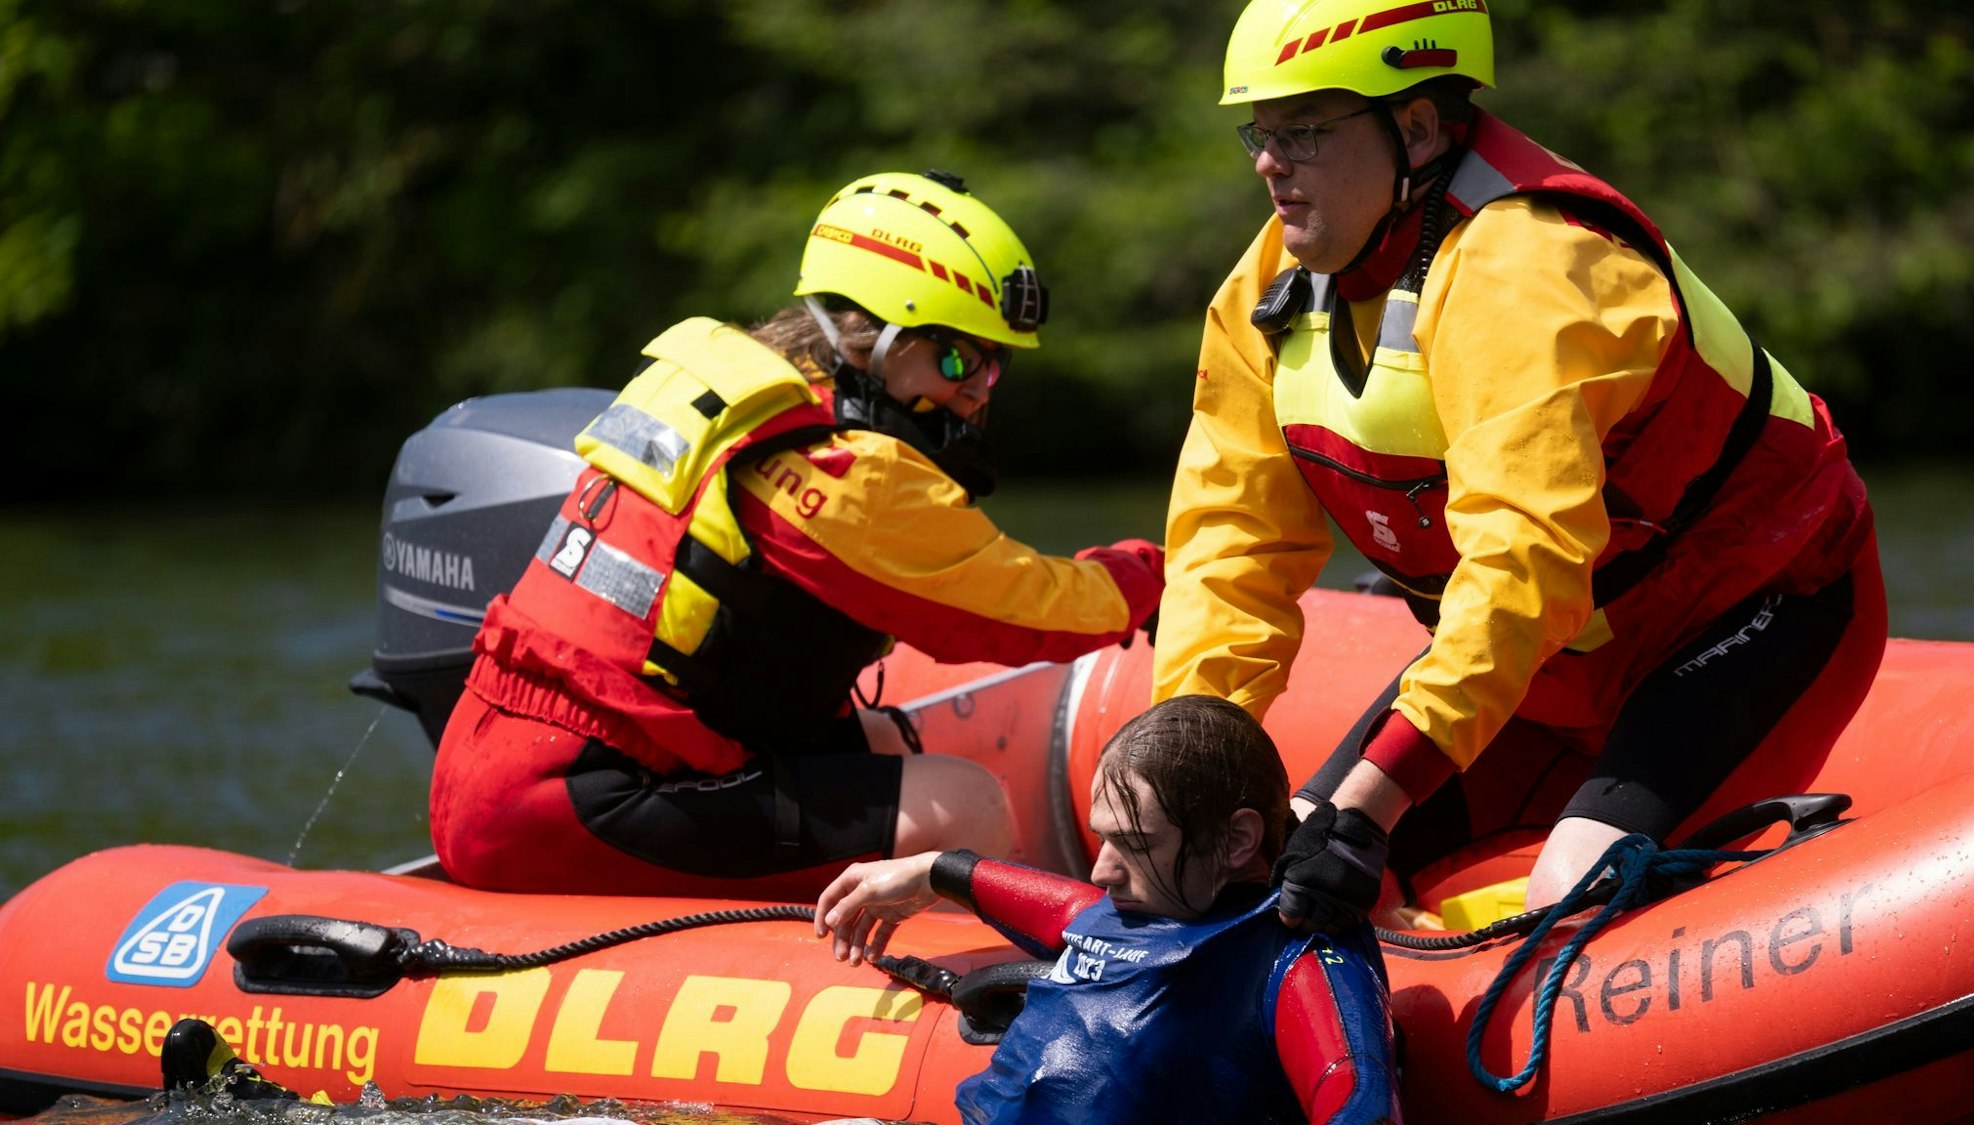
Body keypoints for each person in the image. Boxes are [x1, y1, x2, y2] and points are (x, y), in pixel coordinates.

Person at [1154, 0, 1887, 928]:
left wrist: (1369, 804)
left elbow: (1524, 563)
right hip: (1545, 663)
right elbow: (1230, 555)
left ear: (1416, 128)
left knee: (1567, 887)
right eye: (1259, 130)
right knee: (1263, 871)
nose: (1268, 161)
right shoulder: (1260, 299)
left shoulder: (1529, 265)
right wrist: (1181, 768)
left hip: (1754, 610)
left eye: (1304, 130)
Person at [430, 170, 1165, 899]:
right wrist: (1156, 575)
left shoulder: (749, 403)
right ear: (876, 340)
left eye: (993, 364)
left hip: (505, 762)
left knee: (881, 739)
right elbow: (1027, 610)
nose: (977, 387)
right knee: (969, 805)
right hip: (573, 795)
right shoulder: (842, 471)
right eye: (956, 357)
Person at [815, 695, 1400, 1125]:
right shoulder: (1142, 901)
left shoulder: (1292, 957)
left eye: (1136, 844)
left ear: (1239, 840)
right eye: (1104, 839)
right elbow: (1070, 908)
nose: (1102, 869)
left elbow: (1361, 1106)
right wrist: (935, 868)